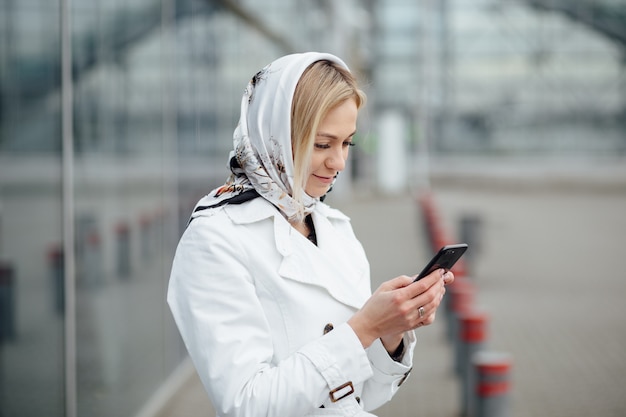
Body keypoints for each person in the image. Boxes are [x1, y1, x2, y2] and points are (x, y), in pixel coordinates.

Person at [167, 52, 454, 417]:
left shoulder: (334, 226)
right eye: (322, 144)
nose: (339, 163)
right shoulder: (215, 238)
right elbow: (247, 404)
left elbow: (364, 396)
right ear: (277, 136)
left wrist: (391, 331)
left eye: (347, 143)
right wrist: (365, 327)